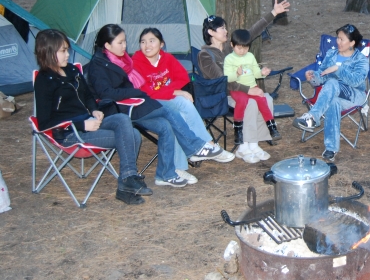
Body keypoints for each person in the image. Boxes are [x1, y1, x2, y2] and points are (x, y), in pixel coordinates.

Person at [87, 24, 234, 189]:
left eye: (125, 41)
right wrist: (136, 92)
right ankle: (196, 147)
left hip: (135, 105)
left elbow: (181, 78)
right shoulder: (99, 66)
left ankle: (166, 174)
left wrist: (145, 93)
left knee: (166, 125)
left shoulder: (122, 60)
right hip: (120, 111)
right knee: (170, 110)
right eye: (120, 43)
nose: (125, 46)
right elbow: (107, 93)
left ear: (161, 44)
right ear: (107, 45)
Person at [33, 29, 151, 205]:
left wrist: (94, 110)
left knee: (122, 120)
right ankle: (126, 184)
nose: (68, 54)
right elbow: (44, 122)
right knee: (132, 136)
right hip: (70, 133)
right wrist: (81, 125)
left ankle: (127, 180)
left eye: (67, 50)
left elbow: (88, 95)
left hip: (90, 122)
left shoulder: (72, 70)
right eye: (63, 51)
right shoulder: (44, 81)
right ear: (48, 52)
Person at [132, 27, 231, 184]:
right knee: (182, 102)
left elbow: (183, 78)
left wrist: (170, 91)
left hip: (166, 101)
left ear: (161, 44)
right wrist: (175, 92)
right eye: (143, 42)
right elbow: (147, 92)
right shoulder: (136, 63)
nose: (147, 45)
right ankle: (206, 145)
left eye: (151, 41)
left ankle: (179, 168)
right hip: (148, 106)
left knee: (178, 117)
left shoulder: (167, 58)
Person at [198, 0, 290, 157]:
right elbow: (222, 81)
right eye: (222, 28)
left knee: (266, 98)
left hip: (243, 90)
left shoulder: (231, 47)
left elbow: (251, 32)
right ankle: (243, 147)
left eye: (225, 28)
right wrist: (249, 90)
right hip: (223, 95)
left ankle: (254, 143)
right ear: (211, 32)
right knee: (251, 103)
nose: (226, 31)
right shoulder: (205, 55)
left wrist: (273, 13)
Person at [292, 24, 368, 161]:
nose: (338, 41)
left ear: (352, 43)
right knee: (333, 102)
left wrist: (338, 69)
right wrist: (313, 76)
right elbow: (322, 76)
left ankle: (313, 117)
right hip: (334, 95)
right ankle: (331, 148)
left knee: (332, 83)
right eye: (337, 38)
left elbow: (356, 81)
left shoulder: (361, 59)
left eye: (342, 39)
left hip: (354, 95)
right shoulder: (331, 54)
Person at [223, 29, 277, 163]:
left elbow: (256, 73)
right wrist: (236, 74)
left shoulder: (250, 56)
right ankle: (239, 134)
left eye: (245, 48)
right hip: (238, 90)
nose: (242, 51)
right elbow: (227, 78)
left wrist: (262, 73)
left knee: (263, 100)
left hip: (252, 86)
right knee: (244, 102)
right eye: (239, 48)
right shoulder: (229, 59)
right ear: (232, 45)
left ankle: (270, 128)